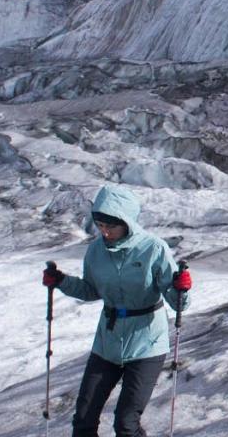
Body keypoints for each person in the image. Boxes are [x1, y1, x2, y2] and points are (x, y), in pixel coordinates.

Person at [41, 185, 191, 437]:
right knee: (84, 419)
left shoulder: (153, 249)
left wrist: (181, 288)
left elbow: (177, 303)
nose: (105, 232)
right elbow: (91, 290)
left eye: (110, 226)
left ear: (127, 221)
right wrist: (60, 281)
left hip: (147, 344)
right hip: (107, 344)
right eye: (100, 225)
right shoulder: (96, 251)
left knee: (126, 422)